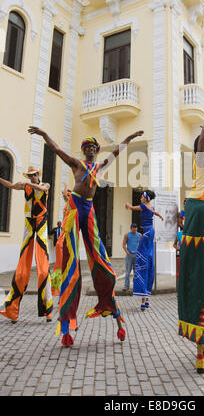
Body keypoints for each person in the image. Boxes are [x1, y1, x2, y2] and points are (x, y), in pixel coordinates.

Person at [28, 125, 143, 346]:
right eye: (87, 147)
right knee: (71, 262)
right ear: (84, 151)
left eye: (93, 147)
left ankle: (113, 311)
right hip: (73, 208)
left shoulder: (99, 167)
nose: (90, 150)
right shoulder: (76, 164)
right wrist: (44, 134)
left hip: (88, 210)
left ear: (97, 151)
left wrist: (130, 135)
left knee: (101, 260)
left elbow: (117, 151)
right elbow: (57, 149)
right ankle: (66, 328)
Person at [178, 123, 204, 374]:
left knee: (200, 277)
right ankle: (200, 349)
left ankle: (200, 341)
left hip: (198, 213)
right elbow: (201, 150)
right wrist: (203, 130)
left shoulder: (201, 167)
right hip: (200, 215)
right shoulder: (200, 160)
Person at [0, 167, 53, 323]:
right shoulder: (26, 186)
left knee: (43, 271)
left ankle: (48, 310)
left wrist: (29, 184)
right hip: (29, 225)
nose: (33, 177)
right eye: (30, 176)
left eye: (35, 175)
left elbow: (42, 188)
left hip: (42, 223)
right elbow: (10, 185)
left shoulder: (46, 184)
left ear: (38, 175)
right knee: (22, 271)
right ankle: (12, 310)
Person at [125, 190, 163, 310]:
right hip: (150, 231)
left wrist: (128, 205)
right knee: (148, 258)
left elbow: (132, 208)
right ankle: (146, 300)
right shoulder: (150, 207)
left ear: (146, 198)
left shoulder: (143, 206)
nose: (140, 198)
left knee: (142, 261)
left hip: (147, 232)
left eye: (142, 197)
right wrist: (160, 216)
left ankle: (143, 299)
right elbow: (154, 212)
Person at [51, 183, 71, 296]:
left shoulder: (71, 205)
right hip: (63, 238)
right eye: (67, 194)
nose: (67, 196)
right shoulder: (68, 205)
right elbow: (64, 196)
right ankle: (59, 289)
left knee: (63, 265)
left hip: (66, 237)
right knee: (60, 265)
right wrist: (65, 188)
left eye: (69, 194)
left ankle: (62, 289)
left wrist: (65, 189)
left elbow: (65, 196)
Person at [122, 223, 142, 291]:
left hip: (136, 255)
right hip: (129, 255)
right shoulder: (127, 235)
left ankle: (136, 286)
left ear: (137, 228)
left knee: (136, 272)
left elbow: (141, 245)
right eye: (133, 227)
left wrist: (140, 253)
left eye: (135, 227)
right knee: (128, 271)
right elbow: (124, 245)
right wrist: (127, 252)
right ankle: (126, 286)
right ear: (131, 228)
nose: (134, 228)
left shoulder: (139, 235)